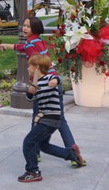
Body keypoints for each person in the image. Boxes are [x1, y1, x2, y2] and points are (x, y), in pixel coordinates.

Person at [0, 17, 85, 165]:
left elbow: (33, 60)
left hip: (43, 84)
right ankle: (72, 150)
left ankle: (35, 151)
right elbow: (22, 47)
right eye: (24, 25)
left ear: (35, 29)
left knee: (37, 118)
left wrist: (34, 86)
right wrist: (6, 45)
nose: (24, 28)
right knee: (60, 119)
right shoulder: (38, 41)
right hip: (54, 81)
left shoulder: (31, 46)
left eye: (28, 26)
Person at [18, 54, 83, 182]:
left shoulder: (49, 78)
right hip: (47, 120)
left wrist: (55, 81)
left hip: (49, 119)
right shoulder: (35, 84)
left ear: (37, 67)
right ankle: (71, 154)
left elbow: (58, 78)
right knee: (43, 145)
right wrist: (29, 92)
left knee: (28, 143)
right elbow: (30, 98)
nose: (27, 68)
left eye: (29, 66)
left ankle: (33, 171)